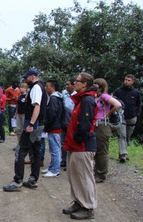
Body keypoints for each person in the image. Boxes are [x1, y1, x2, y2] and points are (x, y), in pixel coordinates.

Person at [3, 68, 47, 192]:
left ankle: (18, 181)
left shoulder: (36, 88)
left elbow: (37, 107)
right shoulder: (40, 87)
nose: (24, 80)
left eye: (26, 78)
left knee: (20, 150)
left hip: (33, 124)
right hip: (39, 124)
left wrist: (31, 124)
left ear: (32, 76)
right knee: (35, 151)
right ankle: (33, 180)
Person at [62, 72, 97, 220]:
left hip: (83, 145)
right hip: (75, 146)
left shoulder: (87, 100)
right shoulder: (81, 100)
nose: (74, 82)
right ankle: (78, 202)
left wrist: (77, 137)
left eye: (77, 81)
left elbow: (85, 124)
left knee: (84, 177)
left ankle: (88, 207)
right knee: (74, 176)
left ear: (85, 84)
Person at [93, 78, 122, 183]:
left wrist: (107, 114)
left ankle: (101, 174)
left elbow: (118, 105)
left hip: (103, 125)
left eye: (95, 85)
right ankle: (96, 171)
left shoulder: (104, 96)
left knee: (102, 151)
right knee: (96, 150)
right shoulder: (95, 97)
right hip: (96, 124)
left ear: (100, 87)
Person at [113, 74, 141, 163]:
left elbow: (138, 104)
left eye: (129, 80)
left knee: (127, 136)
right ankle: (123, 154)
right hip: (121, 116)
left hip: (132, 117)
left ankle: (122, 152)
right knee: (122, 135)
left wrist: (137, 114)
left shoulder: (136, 92)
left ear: (132, 81)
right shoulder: (118, 91)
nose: (126, 81)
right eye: (125, 79)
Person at [41, 79, 64, 178]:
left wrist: (46, 122)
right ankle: (51, 167)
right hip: (53, 127)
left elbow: (52, 114)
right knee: (52, 148)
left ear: (52, 87)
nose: (46, 88)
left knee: (55, 149)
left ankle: (55, 170)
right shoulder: (55, 97)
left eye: (47, 86)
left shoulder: (54, 99)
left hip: (54, 127)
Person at [61, 79, 76, 168]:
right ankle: (64, 160)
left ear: (74, 85)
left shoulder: (77, 97)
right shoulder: (65, 96)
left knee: (71, 143)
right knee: (63, 143)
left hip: (72, 123)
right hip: (64, 123)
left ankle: (70, 162)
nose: (66, 86)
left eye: (68, 84)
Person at [14, 83, 28, 151]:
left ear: (26, 88)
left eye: (22, 87)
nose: (21, 89)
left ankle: (24, 144)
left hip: (24, 114)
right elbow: (18, 105)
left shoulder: (27, 96)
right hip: (19, 114)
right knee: (18, 130)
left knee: (23, 130)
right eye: (20, 87)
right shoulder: (20, 96)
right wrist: (15, 114)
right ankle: (19, 143)